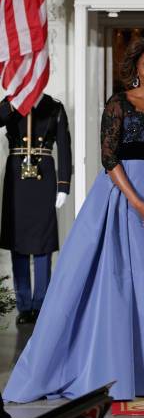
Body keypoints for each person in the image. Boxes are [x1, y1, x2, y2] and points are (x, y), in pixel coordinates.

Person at [3, 37, 144, 402]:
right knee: (122, 286)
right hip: (123, 203)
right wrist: (138, 204)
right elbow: (109, 158)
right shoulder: (119, 103)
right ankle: (121, 370)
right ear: (135, 69)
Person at [0, 95, 72, 325]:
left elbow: (64, 146)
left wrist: (63, 186)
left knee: (42, 243)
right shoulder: (11, 102)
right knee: (18, 242)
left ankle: (40, 304)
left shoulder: (55, 107)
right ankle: (24, 306)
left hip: (44, 176)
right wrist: (15, 100)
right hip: (17, 176)